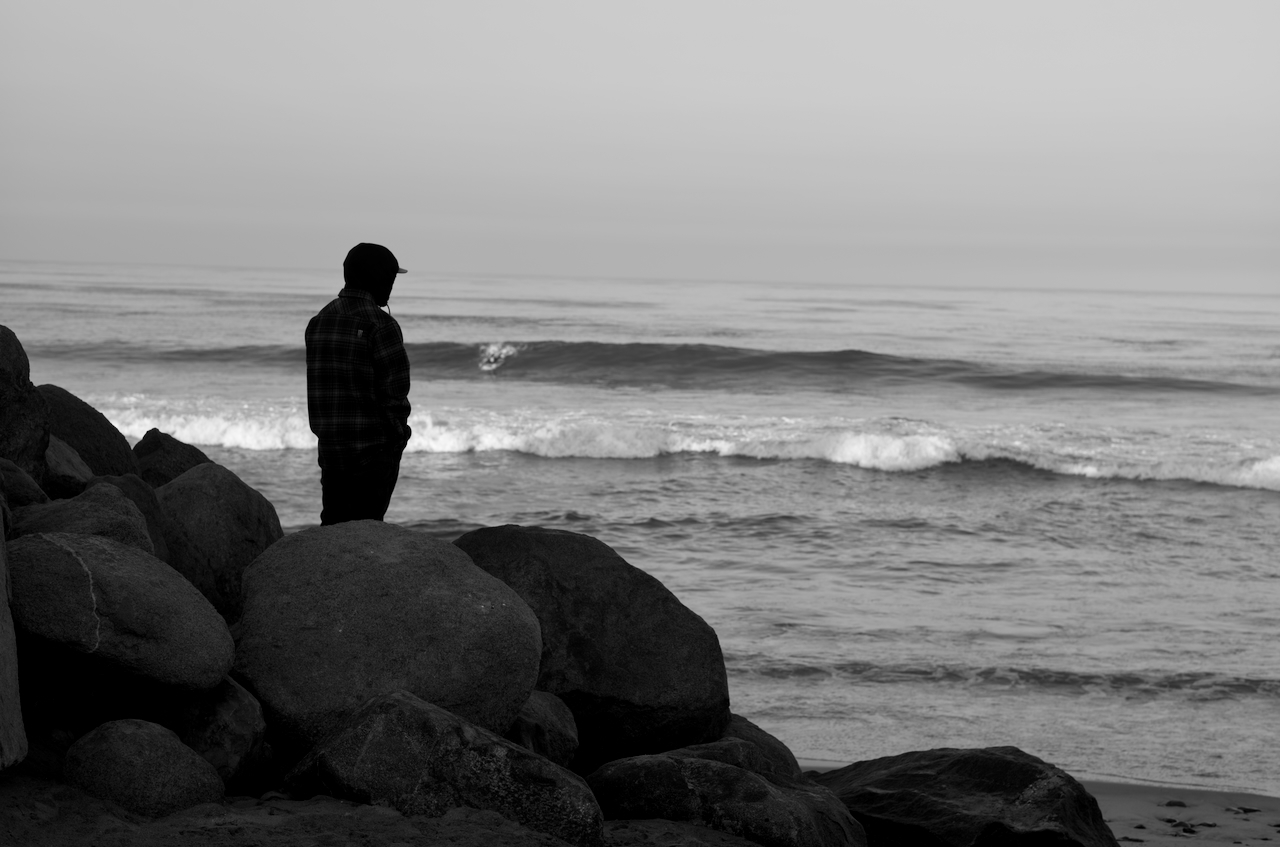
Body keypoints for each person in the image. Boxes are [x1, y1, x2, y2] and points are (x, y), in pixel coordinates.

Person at [305, 243, 412, 524]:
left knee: (333, 526)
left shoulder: (319, 320)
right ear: (379, 279)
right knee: (367, 535)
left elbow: (319, 388)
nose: (391, 286)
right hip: (373, 454)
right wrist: (399, 438)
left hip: (331, 450)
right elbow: (395, 396)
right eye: (391, 278)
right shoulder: (382, 325)